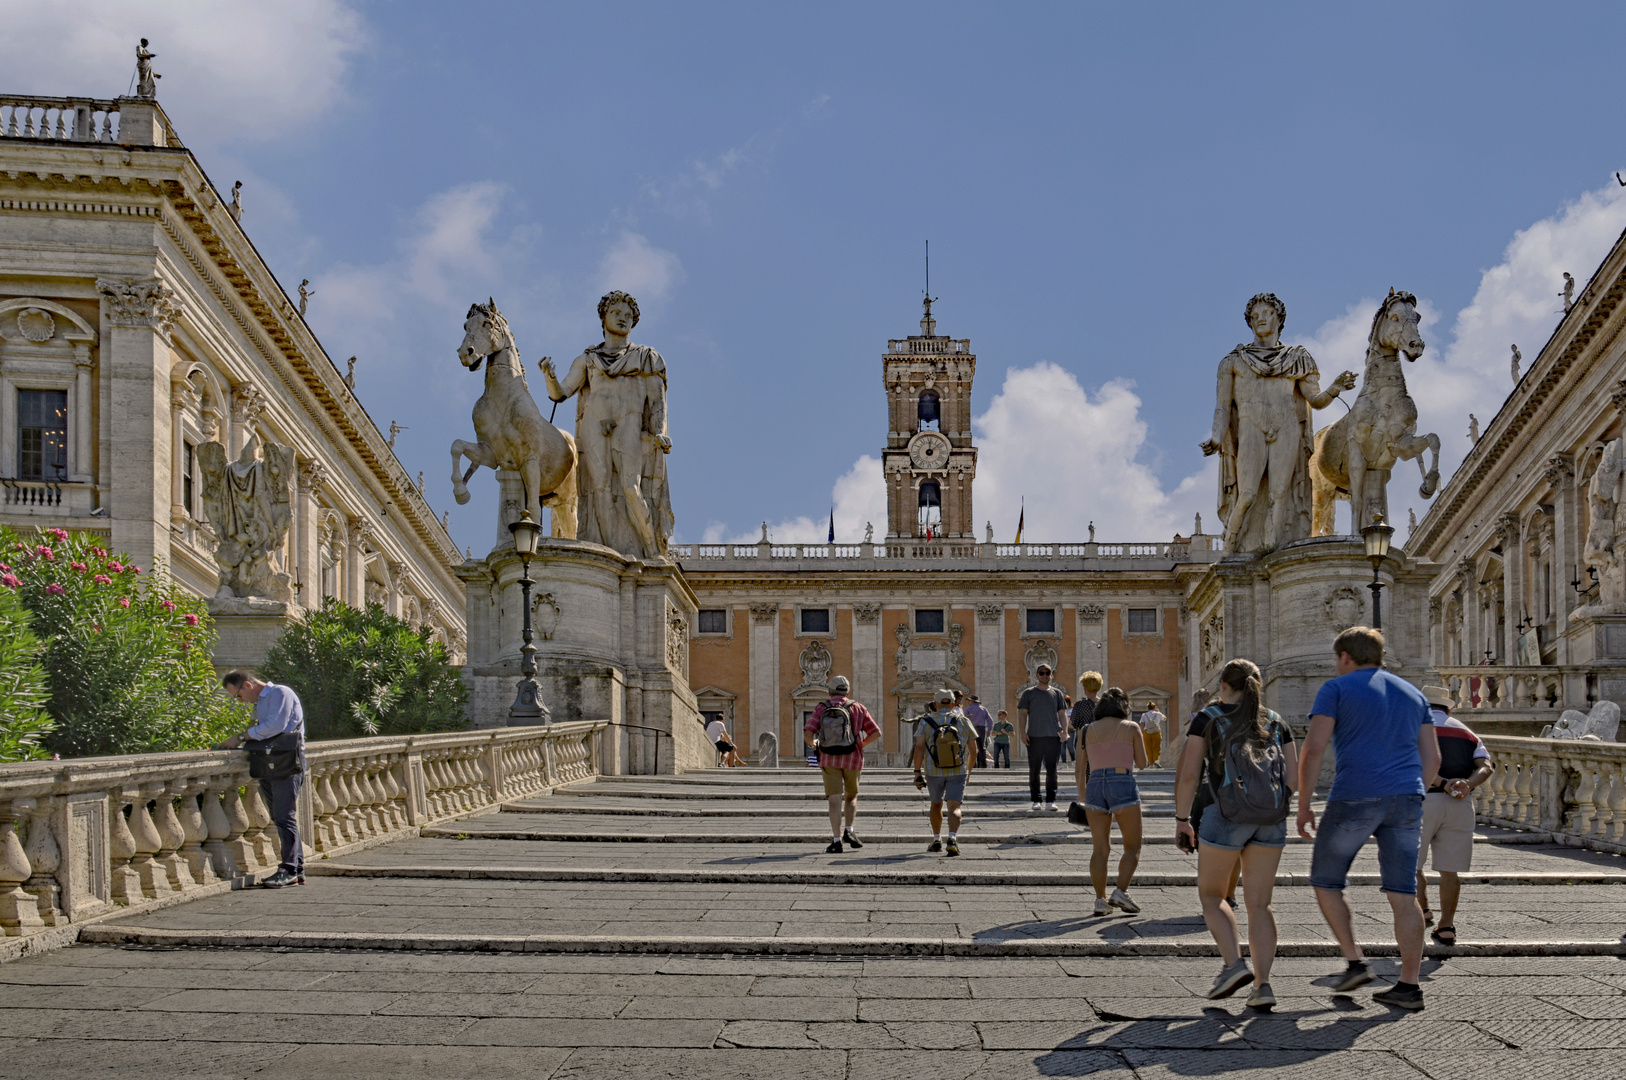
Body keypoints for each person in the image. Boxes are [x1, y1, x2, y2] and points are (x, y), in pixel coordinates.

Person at [1299, 627, 1441, 1011]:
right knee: (1404, 895)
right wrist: (1414, 791)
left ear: (1345, 656)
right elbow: (1434, 758)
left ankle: (1355, 960)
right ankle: (1408, 986)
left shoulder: (1337, 688)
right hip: (1407, 797)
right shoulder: (1414, 694)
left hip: (1355, 796)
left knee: (1326, 881)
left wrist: (1305, 803)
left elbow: (1313, 750)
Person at [1175, 659, 1298, 1008]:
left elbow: (1188, 776)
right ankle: (1263, 986)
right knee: (1260, 904)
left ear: (1224, 686)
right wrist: (1271, 805)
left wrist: (1183, 819)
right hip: (1271, 818)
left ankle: (1233, 964)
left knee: (1213, 896)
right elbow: (1293, 779)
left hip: (1224, 815)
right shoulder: (1277, 722)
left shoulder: (1209, 718)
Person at [1415, 685, 1494, 946]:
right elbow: (1486, 766)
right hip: (1460, 804)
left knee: (1411, 865)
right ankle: (1446, 926)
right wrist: (1467, 784)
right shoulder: (1467, 732)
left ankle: (1423, 908)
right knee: (1450, 871)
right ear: (1447, 707)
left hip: (1423, 801)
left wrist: (1442, 782)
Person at [216, 672, 306, 888]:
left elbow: (275, 726)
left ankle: (289, 870)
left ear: (247, 684)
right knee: (279, 815)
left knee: (285, 816)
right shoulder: (261, 703)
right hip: (268, 760)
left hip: (286, 761)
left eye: (238, 695)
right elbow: (260, 730)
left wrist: (239, 737)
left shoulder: (280, 693)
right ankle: (297, 868)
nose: (240, 701)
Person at [1079, 688, 1149, 916]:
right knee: (1133, 846)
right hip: (1122, 781)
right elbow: (1143, 762)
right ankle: (1120, 891)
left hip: (1095, 785)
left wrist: (1083, 796)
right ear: (1124, 707)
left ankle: (1100, 900)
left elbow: (1080, 769)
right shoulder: (1131, 727)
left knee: (1100, 848)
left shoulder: (1086, 730)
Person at [804, 676, 881, 853]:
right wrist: (860, 744)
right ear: (847, 691)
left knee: (834, 799)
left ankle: (836, 840)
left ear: (830, 691)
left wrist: (814, 744)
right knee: (851, 796)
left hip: (828, 758)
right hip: (852, 758)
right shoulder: (858, 708)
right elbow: (876, 733)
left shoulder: (822, 707)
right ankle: (849, 830)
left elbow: (808, 733)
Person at [913, 688, 979, 856]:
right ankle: (952, 838)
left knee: (936, 804)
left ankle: (936, 839)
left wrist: (917, 772)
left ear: (934, 704)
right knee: (954, 807)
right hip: (958, 770)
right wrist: (968, 771)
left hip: (933, 770)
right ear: (952, 704)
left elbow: (919, 747)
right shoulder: (963, 720)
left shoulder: (925, 721)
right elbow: (974, 750)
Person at [1018, 664, 1068, 811]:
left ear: (1051, 675)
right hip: (1034, 736)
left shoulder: (1057, 693)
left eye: (1048, 673)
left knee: (1052, 770)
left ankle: (1051, 800)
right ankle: (1036, 799)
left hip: (1053, 737)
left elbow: (1062, 715)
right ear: (1037, 675)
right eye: (1042, 673)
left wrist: (1065, 732)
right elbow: (1023, 715)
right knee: (1034, 770)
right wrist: (1022, 732)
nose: (1045, 675)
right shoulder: (1028, 693)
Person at [961, 693, 994, 768]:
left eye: (969, 701)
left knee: (971, 747)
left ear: (972, 701)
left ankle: (972, 764)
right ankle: (983, 764)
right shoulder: (983, 709)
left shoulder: (969, 709)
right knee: (982, 747)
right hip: (981, 729)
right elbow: (990, 721)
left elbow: (962, 719)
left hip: (972, 728)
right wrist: (989, 730)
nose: (968, 702)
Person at [1138, 700, 1166, 767]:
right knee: (1156, 747)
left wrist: (1141, 733)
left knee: (1148, 748)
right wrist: (1158, 711)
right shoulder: (1158, 714)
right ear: (1154, 707)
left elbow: (1142, 724)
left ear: (1148, 708)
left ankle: (1151, 763)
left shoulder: (1144, 715)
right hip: (1156, 731)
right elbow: (1165, 718)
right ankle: (1156, 760)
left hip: (1146, 732)